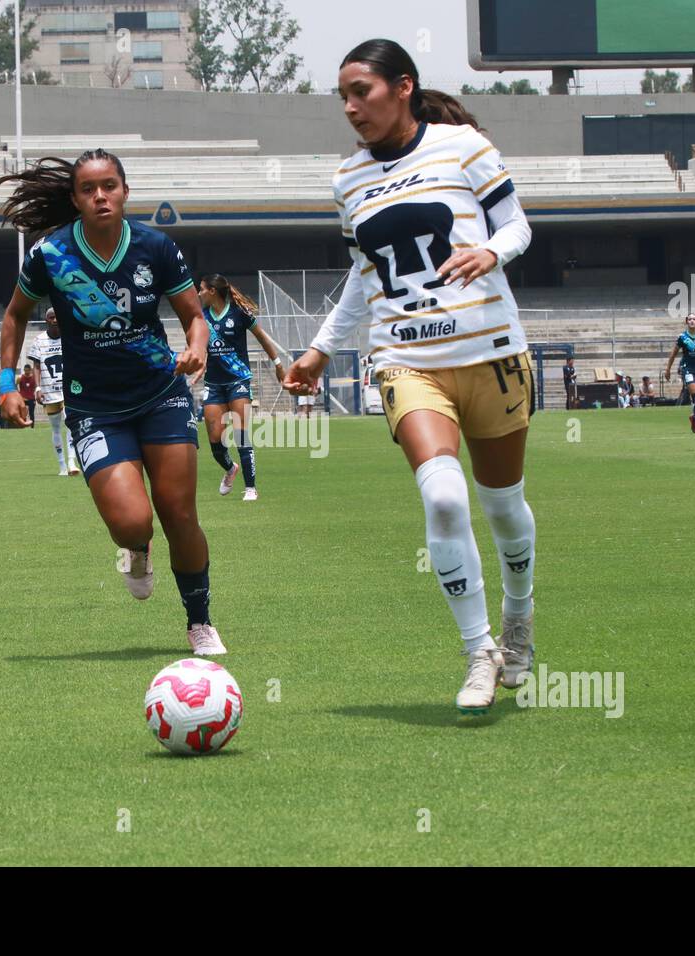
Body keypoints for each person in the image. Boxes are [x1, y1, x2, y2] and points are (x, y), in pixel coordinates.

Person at [285, 39, 537, 715]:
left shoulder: (463, 147)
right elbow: (361, 279)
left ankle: (519, 617)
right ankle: (478, 649)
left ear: (403, 87)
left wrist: (488, 250)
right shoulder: (348, 181)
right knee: (446, 501)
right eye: (342, 95)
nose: (349, 107)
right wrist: (319, 350)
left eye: (360, 91)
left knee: (503, 507)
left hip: (492, 354)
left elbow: (517, 226)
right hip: (407, 363)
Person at [0, 147, 225, 655]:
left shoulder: (157, 246)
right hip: (93, 406)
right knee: (131, 522)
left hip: (161, 394)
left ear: (125, 191)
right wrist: (7, 383)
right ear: (75, 199)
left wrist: (196, 348)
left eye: (109, 186)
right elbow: (15, 314)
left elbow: (194, 315)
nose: (100, 196)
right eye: (88, 189)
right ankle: (137, 550)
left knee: (179, 513)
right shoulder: (51, 254)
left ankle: (199, 622)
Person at [192, 274, 284, 501]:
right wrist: (199, 367)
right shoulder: (202, 317)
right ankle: (231, 469)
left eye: (201, 289)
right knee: (215, 441)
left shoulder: (239, 314)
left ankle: (251, 488)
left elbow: (262, 338)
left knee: (241, 435)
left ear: (212, 291)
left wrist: (279, 364)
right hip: (213, 385)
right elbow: (201, 347)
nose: (199, 293)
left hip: (238, 380)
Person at [26, 308, 79, 474]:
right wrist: (38, 388)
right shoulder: (39, 340)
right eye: (51, 317)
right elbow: (36, 365)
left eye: (57, 316)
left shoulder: (69, 337)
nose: (55, 320)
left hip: (68, 389)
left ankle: (72, 462)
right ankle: (62, 465)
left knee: (70, 424)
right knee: (56, 428)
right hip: (49, 391)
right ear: (46, 320)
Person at [663, 313, 695, 433]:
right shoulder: (683, 337)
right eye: (690, 319)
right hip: (688, 369)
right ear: (687, 322)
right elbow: (673, 353)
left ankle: (694, 416)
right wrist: (668, 369)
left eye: (694, 319)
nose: (692, 321)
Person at [18, 363, 38, 429]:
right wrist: (18, 394)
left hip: (31, 398)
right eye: (25, 370)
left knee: (31, 413)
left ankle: (32, 427)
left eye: (27, 370)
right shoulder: (20, 378)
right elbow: (15, 385)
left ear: (30, 370)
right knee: (22, 413)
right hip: (22, 398)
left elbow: (36, 387)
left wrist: (35, 395)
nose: (26, 372)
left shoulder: (33, 379)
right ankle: (22, 425)